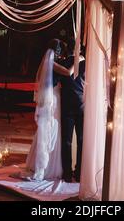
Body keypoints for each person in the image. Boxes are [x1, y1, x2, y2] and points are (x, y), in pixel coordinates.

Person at [24, 39, 74, 181]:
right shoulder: (51, 63)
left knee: (47, 129)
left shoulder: (45, 63)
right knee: (51, 129)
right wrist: (78, 60)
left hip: (50, 96)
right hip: (53, 97)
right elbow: (68, 72)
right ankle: (47, 165)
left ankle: (37, 162)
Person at [58, 37, 85, 183]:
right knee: (81, 140)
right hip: (82, 105)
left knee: (67, 141)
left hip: (67, 105)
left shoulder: (62, 63)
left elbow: (56, 83)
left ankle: (67, 174)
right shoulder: (87, 63)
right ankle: (80, 173)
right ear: (80, 49)